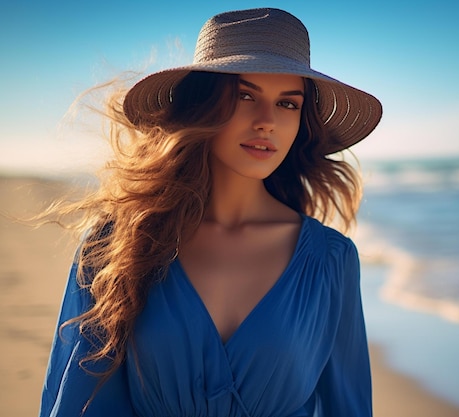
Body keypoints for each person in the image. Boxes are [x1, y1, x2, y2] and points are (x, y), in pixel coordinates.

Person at [39, 7, 382, 417]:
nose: (267, 122)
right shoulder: (114, 246)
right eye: (245, 96)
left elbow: (350, 407)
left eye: (288, 104)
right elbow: (79, 402)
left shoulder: (331, 260)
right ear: (201, 106)